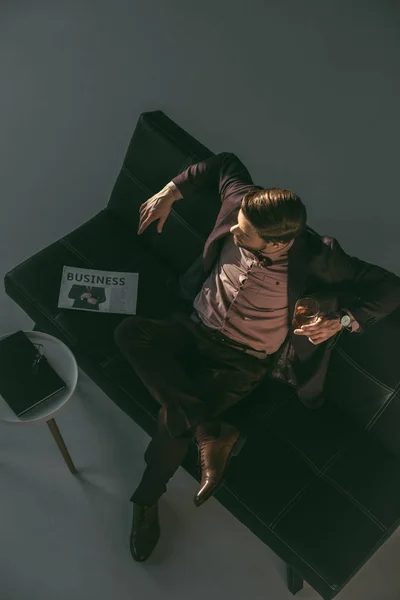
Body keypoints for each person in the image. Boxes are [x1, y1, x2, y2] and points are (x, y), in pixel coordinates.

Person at [113, 152, 400, 563]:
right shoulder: (241, 202)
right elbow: (222, 163)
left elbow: (391, 287)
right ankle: (211, 429)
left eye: (244, 234)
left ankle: (145, 501)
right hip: (192, 327)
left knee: (170, 421)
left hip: (242, 362)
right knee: (129, 332)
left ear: (280, 242)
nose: (233, 230)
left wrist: (343, 320)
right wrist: (170, 191)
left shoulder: (319, 256)